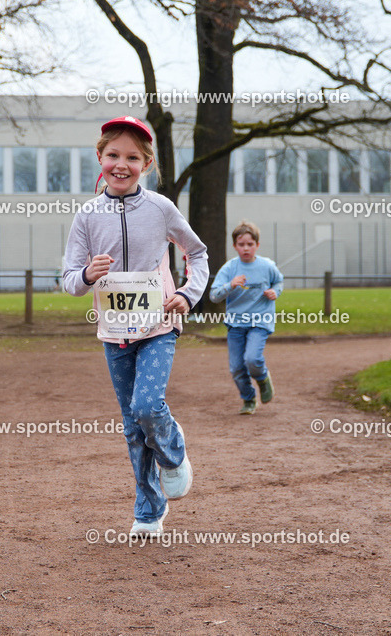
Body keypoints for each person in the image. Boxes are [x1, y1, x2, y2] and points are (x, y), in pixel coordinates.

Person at [62, 115, 209, 539]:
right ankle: (148, 511)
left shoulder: (161, 209)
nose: (121, 164)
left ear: (146, 163)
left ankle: (174, 452)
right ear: (100, 158)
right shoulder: (88, 216)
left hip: (160, 324)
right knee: (131, 424)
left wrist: (188, 293)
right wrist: (89, 274)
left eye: (132, 157)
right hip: (114, 332)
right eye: (113, 155)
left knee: (147, 407)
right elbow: (70, 279)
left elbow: (196, 254)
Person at [209, 221, 283, 415]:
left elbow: (279, 281)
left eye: (250, 244)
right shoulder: (230, 269)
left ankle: (263, 379)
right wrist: (230, 285)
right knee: (236, 368)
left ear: (257, 245)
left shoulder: (267, 266)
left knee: (252, 358)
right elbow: (214, 295)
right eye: (241, 245)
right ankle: (249, 398)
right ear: (235, 246)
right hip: (236, 324)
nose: (246, 248)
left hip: (260, 321)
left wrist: (275, 292)